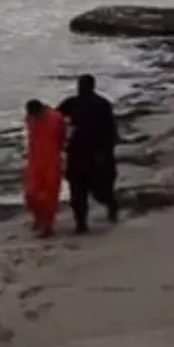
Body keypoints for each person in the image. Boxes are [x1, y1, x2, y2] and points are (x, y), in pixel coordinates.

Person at [57, 74, 119, 234]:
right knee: (78, 191)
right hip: (79, 153)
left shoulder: (100, 105)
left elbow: (110, 131)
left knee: (98, 191)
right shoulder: (72, 103)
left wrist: (105, 152)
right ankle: (81, 223)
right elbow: (55, 118)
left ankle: (111, 207)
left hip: (95, 153)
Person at [23, 99, 66, 238]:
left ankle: (48, 225)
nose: (33, 117)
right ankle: (38, 218)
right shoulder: (29, 119)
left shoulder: (56, 118)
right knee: (31, 194)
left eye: (35, 114)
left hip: (51, 160)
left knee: (49, 195)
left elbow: (62, 138)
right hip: (34, 159)